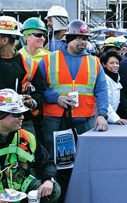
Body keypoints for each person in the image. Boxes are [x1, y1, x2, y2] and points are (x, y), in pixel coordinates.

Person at [39, 19, 109, 159]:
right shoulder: (48, 60)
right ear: (68, 39)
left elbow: (102, 90)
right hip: (55, 120)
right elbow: (39, 89)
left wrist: (102, 114)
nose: (83, 42)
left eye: (85, 39)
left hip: (84, 120)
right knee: (54, 159)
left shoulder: (94, 62)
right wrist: (56, 98)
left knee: (86, 159)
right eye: (79, 38)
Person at [100, 51, 127, 125]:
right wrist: (116, 119)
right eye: (111, 63)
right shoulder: (104, 79)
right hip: (103, 118)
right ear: (104, 64)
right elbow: (105, 102)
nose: (115, 66)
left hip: (110, 119)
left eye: (117, 63)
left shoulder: (116, 78)